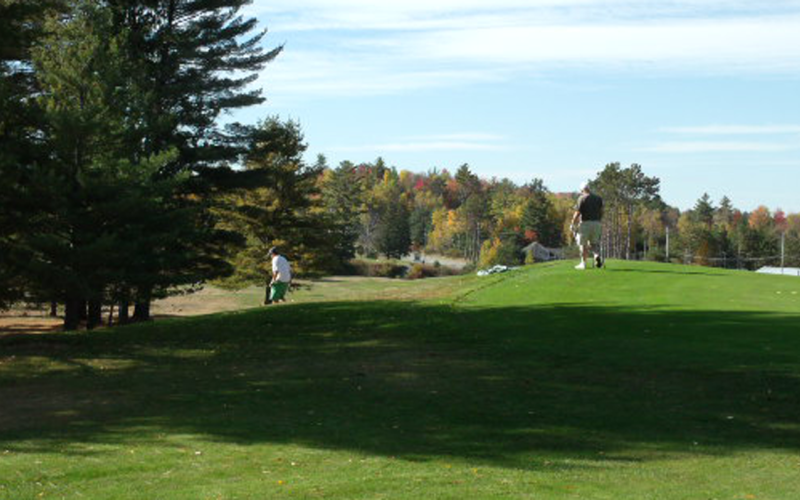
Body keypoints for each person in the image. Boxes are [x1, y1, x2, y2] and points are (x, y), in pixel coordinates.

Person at [571, 182, 604, 270]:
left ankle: (583, 264)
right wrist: (598, 220)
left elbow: (577, 212)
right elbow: (601, 211)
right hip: (597, 223)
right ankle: (596, 256)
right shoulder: (598, 198)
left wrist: (573, 223)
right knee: (594, 244)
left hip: (585, 223)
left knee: (583, 245)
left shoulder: (582, 198)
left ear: (582, 190)